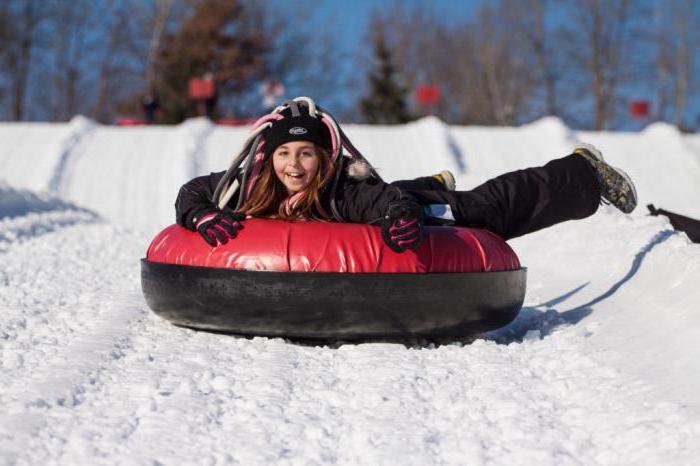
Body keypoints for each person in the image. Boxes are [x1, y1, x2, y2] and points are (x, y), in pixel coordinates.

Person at [175, 97, 637, 253]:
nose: (294, 166)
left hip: (401, 203)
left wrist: (402, 217)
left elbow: (383, 205)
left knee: (482, 211)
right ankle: (430, 184)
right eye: (284, 155)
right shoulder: (252, 185)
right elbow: (195, 191)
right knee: (408, 193)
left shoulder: (341, 189)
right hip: (389, 194)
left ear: (325, 159)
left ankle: (582, 173)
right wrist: (198, 217)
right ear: (266, 157)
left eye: (307, 154)